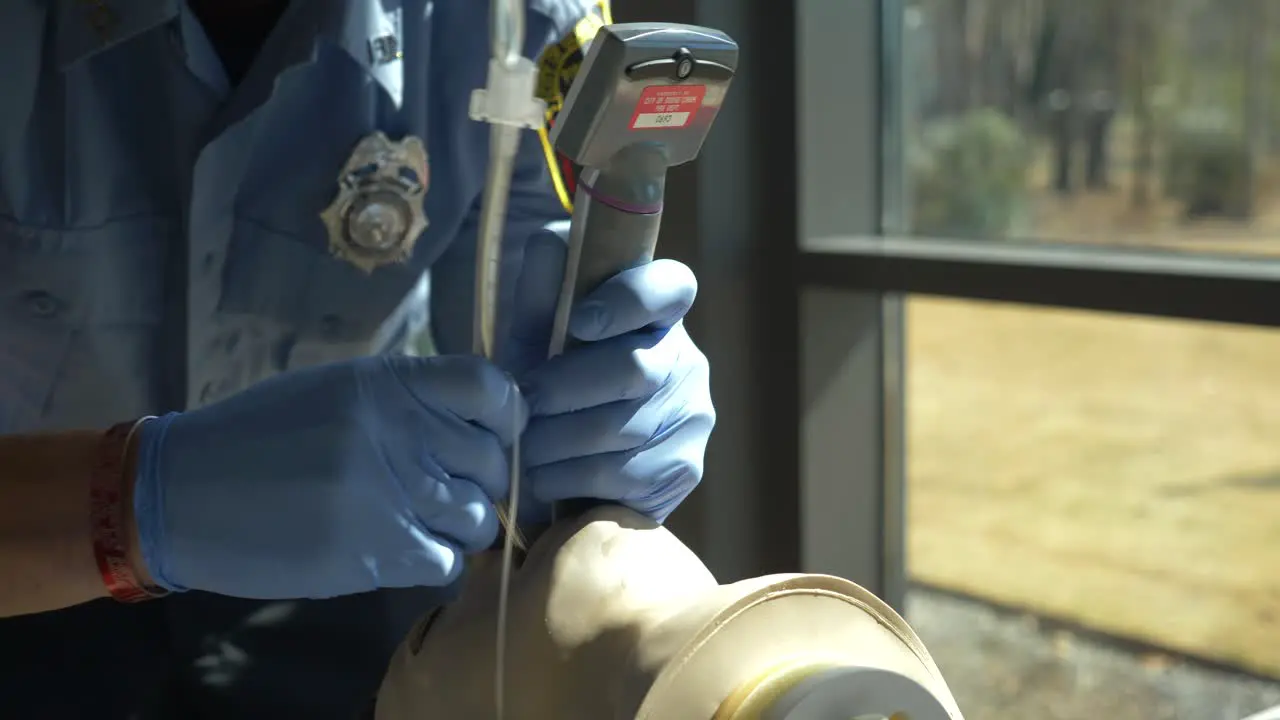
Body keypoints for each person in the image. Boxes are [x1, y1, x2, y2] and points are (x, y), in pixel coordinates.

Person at [0, 1, 715, 718]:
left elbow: (530, 284)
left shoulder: (509, 22)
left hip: (359, 582)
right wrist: (130, 498)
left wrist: (604, 395)